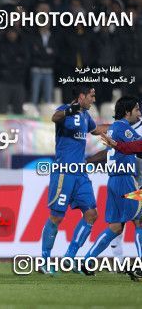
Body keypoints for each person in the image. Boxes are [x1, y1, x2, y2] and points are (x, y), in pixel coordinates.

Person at [40, 84, 108, 274]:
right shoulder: (64, 111)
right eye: (91, 96)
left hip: (80, 173)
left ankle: (69, 258)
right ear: (81, 96)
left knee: (91, 214)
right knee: (56, 216)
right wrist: (71, 109)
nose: (94, 100)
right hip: (64, 172)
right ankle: (45, 261)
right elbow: (55, 118)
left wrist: (120, 127)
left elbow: (96, 130)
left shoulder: (86, 116)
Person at [82, 96, 142, 281]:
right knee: (140, 221)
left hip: (113, 181)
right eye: (137, 110)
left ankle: (88, 259)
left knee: (116, 227)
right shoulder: (124, 128)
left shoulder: (113, 129)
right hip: (127, 181)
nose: (139, 114)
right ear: (127, 112)